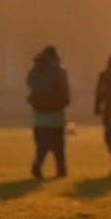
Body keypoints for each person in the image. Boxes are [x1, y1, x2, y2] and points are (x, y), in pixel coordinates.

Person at [26, 45, 70, 179]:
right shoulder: (60, 71)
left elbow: (28, 83)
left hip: (38, 115)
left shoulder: (35, 70)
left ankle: (38, 164)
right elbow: (65, 91)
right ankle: (61, 170)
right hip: (56, 115)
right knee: (58, 145)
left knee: (41, 144)